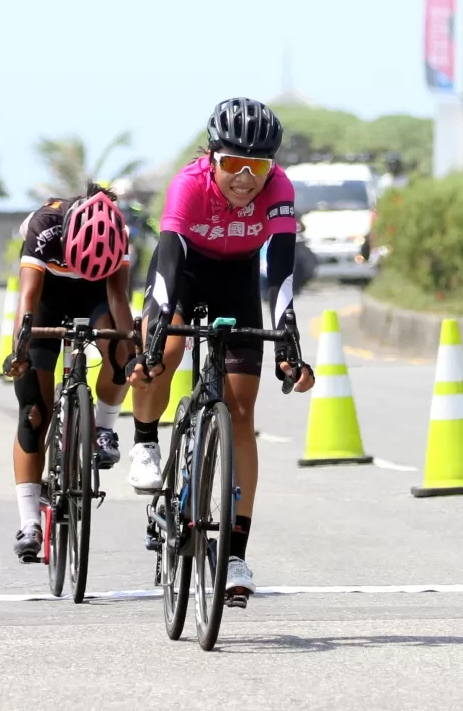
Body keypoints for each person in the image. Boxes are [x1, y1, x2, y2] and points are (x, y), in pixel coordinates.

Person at [125, 98, 315, 601]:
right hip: (183, 275)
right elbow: (167, 261)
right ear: (212, 157)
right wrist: (157, 329)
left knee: (241, 412)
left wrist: (288, 337)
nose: (245, 178)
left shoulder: (280, 191)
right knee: (160, 356)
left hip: (236, 281)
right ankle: (145, 440)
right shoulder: (189, 184)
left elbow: (280, 273)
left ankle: (234, 555)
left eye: (258, 166)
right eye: (233, 164)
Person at [2, 184, 134, 561]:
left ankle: (104, 428)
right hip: (47, 295)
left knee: (118, 350)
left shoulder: (117, 232)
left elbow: (119, 299)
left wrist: (131, 354)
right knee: (33, 412)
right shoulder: (44, 225)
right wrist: (19, 352)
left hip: (95, 294)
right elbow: (27, 300)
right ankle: (29, 523)